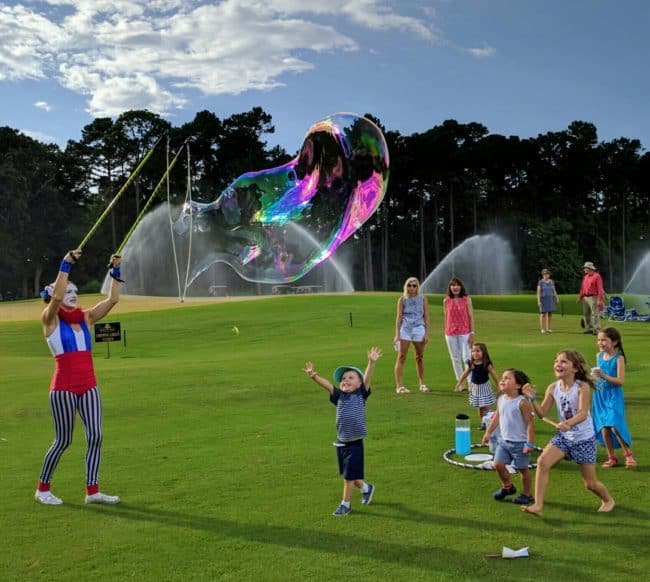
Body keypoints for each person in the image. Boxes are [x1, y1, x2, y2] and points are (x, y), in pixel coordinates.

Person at [35, 249, 123, 506]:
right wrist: (65, 264)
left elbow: (113, 299)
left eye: (76, 291)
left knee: (96, 435)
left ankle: (92, 491)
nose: (72, 294)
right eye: (67, 291)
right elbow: (58, 294)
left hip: (89, 386)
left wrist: (115, 270)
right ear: (53, 296)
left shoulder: (85, 317)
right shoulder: (49, 319)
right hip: (63, 388)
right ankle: (42, 489)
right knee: (63, 440)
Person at [521, 349, 615, 516]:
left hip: (583, 439)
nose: (558, 364)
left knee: (590, 484)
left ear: (575, 368)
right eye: (557, 361)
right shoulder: (553, 388)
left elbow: (583, 413)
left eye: (563, 362)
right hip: (564, 437)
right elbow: (542, 413)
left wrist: (567, 423)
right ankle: (538, 505)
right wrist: (532, 399)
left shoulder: (582, 387)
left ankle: (608, 500)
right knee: (542, 462)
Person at [303, 347, 382, 516]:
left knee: (348, 477)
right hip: (341, 441)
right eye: (344, 378)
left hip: (355, 443)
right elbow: (328, 386)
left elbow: (367, 379)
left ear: (359, 384)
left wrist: (371, 362)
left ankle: (345, 505)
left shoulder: (360, 394)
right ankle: (367, 488)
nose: (346, 380)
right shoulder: (339, 396)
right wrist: (313, 376)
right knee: (349, 474)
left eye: (351, 378)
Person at [482, 369, 535, 505]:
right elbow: (497, 417)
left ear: (518, 385)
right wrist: (488, 432)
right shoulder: (501, 399)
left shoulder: (522, 402)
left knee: (523, 470)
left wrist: (529, 443)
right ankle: (508, 487)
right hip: (504, 442)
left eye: (507, 378)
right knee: (497, 464)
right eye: (502, 378)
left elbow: (530, 423)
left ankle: (526, 494)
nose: (502, 380)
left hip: (520, 444)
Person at [592, 327, 636, 468]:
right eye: (599, 340)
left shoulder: (619, 358)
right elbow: (597, 377)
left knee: (614, 426)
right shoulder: (599, 356)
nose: (600, 342)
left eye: (604, 340)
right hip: (600, 395)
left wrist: (603, 376)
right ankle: (611, 457)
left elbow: (620, 381)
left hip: (613, 395)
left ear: (614, 342)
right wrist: (592, 380)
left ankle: (628, 455)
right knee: (604, 428)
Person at [393, 277, 430, 394]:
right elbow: (398, 318)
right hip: (405, 329)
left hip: (419, 328)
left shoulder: (423, 299)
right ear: (406, 286)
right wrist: (397, 335)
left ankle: (422, 384)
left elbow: (426, 317)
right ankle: (399, 386)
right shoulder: (402, 300)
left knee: (419, 357)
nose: (412, 288)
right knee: (401, 356)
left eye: (414, 285)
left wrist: (427, 333)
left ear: (417, 287)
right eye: (409, 285)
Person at [454, 343, 499, 428]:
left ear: (483, 352)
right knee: (480, 406)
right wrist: (459, 384)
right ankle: (484, 421)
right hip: (475, 387)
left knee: (484, 406)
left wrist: (498, 385)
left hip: (484, 387)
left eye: (478, 351)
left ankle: (487, 421)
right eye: (473, 351)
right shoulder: (471, 363)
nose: (475, 353)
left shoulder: (486, 364)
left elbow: (494, 375)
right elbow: (465, 373)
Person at [443, 277, 474, 385]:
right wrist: (445, 331)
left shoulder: (466, 299)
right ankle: (460, 383)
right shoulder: (446, 300)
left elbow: (470, 316)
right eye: (453, 285)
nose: (455, 287)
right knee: (455, 358)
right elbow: (446, 317)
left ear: (461, 287)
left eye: (457, 285)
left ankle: (470, 382)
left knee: (467, 357)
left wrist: (472, 333)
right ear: (450, 288)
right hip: (450, 333)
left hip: (465, 332)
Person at [577, 261, 605, 334]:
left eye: (585, 268)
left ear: (589, 268)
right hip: (585, 298)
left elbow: (600, 289)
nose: (584, 269)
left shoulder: (597, 276)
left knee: (595, 314)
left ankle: (597, 329)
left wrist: (600, 300)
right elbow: (582, 288)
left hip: (593, 297)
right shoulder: (585, 277)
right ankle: (589, 328)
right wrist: (580, 297)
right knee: (586, 314)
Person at [537, 268, 559, 333]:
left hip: (550, 299)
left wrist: (556, 298)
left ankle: (548, 328)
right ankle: (542, 329)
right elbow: (538, 292)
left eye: (547, 274)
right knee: (543, 314)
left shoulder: (551, 281)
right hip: (543, 299)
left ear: (549, 275)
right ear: (542, 275)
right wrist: (538, 301)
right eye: (544, 274)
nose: (546, 275)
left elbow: (554, 290)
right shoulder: (540, 282)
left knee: (550, 314)